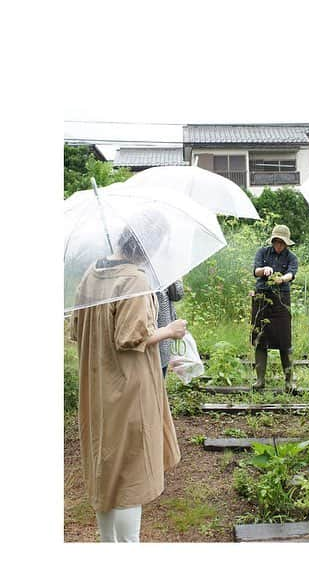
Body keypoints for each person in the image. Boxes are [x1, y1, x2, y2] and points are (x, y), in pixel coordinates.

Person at [71, 222, 185, 543]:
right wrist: (170, 330)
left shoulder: (91, 273)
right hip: (128, 386)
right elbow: (131, 337)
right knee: (130, 470)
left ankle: (109, 545)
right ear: (148, 246)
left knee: (105, 464)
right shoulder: (135, 279)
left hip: (96, 384)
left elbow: (77, 332)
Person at [250, 224, 299, 392]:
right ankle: (260, 380)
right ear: (272, 241)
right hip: (262, 297)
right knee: (260, 338)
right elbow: (255, 270)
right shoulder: (262, 252)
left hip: (281, 299)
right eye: (276, 242)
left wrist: (282, 279)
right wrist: (264, 270)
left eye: (282, 243)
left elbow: (291, 273)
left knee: (284, 340)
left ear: (286, 244)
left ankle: (289, 381)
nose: (278, 245)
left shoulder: (291, 257)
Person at [156, 279, 184, 377]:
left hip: (164, 331)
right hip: (153, 328)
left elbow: (177, 294)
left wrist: (171, 277)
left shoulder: (163, 268)